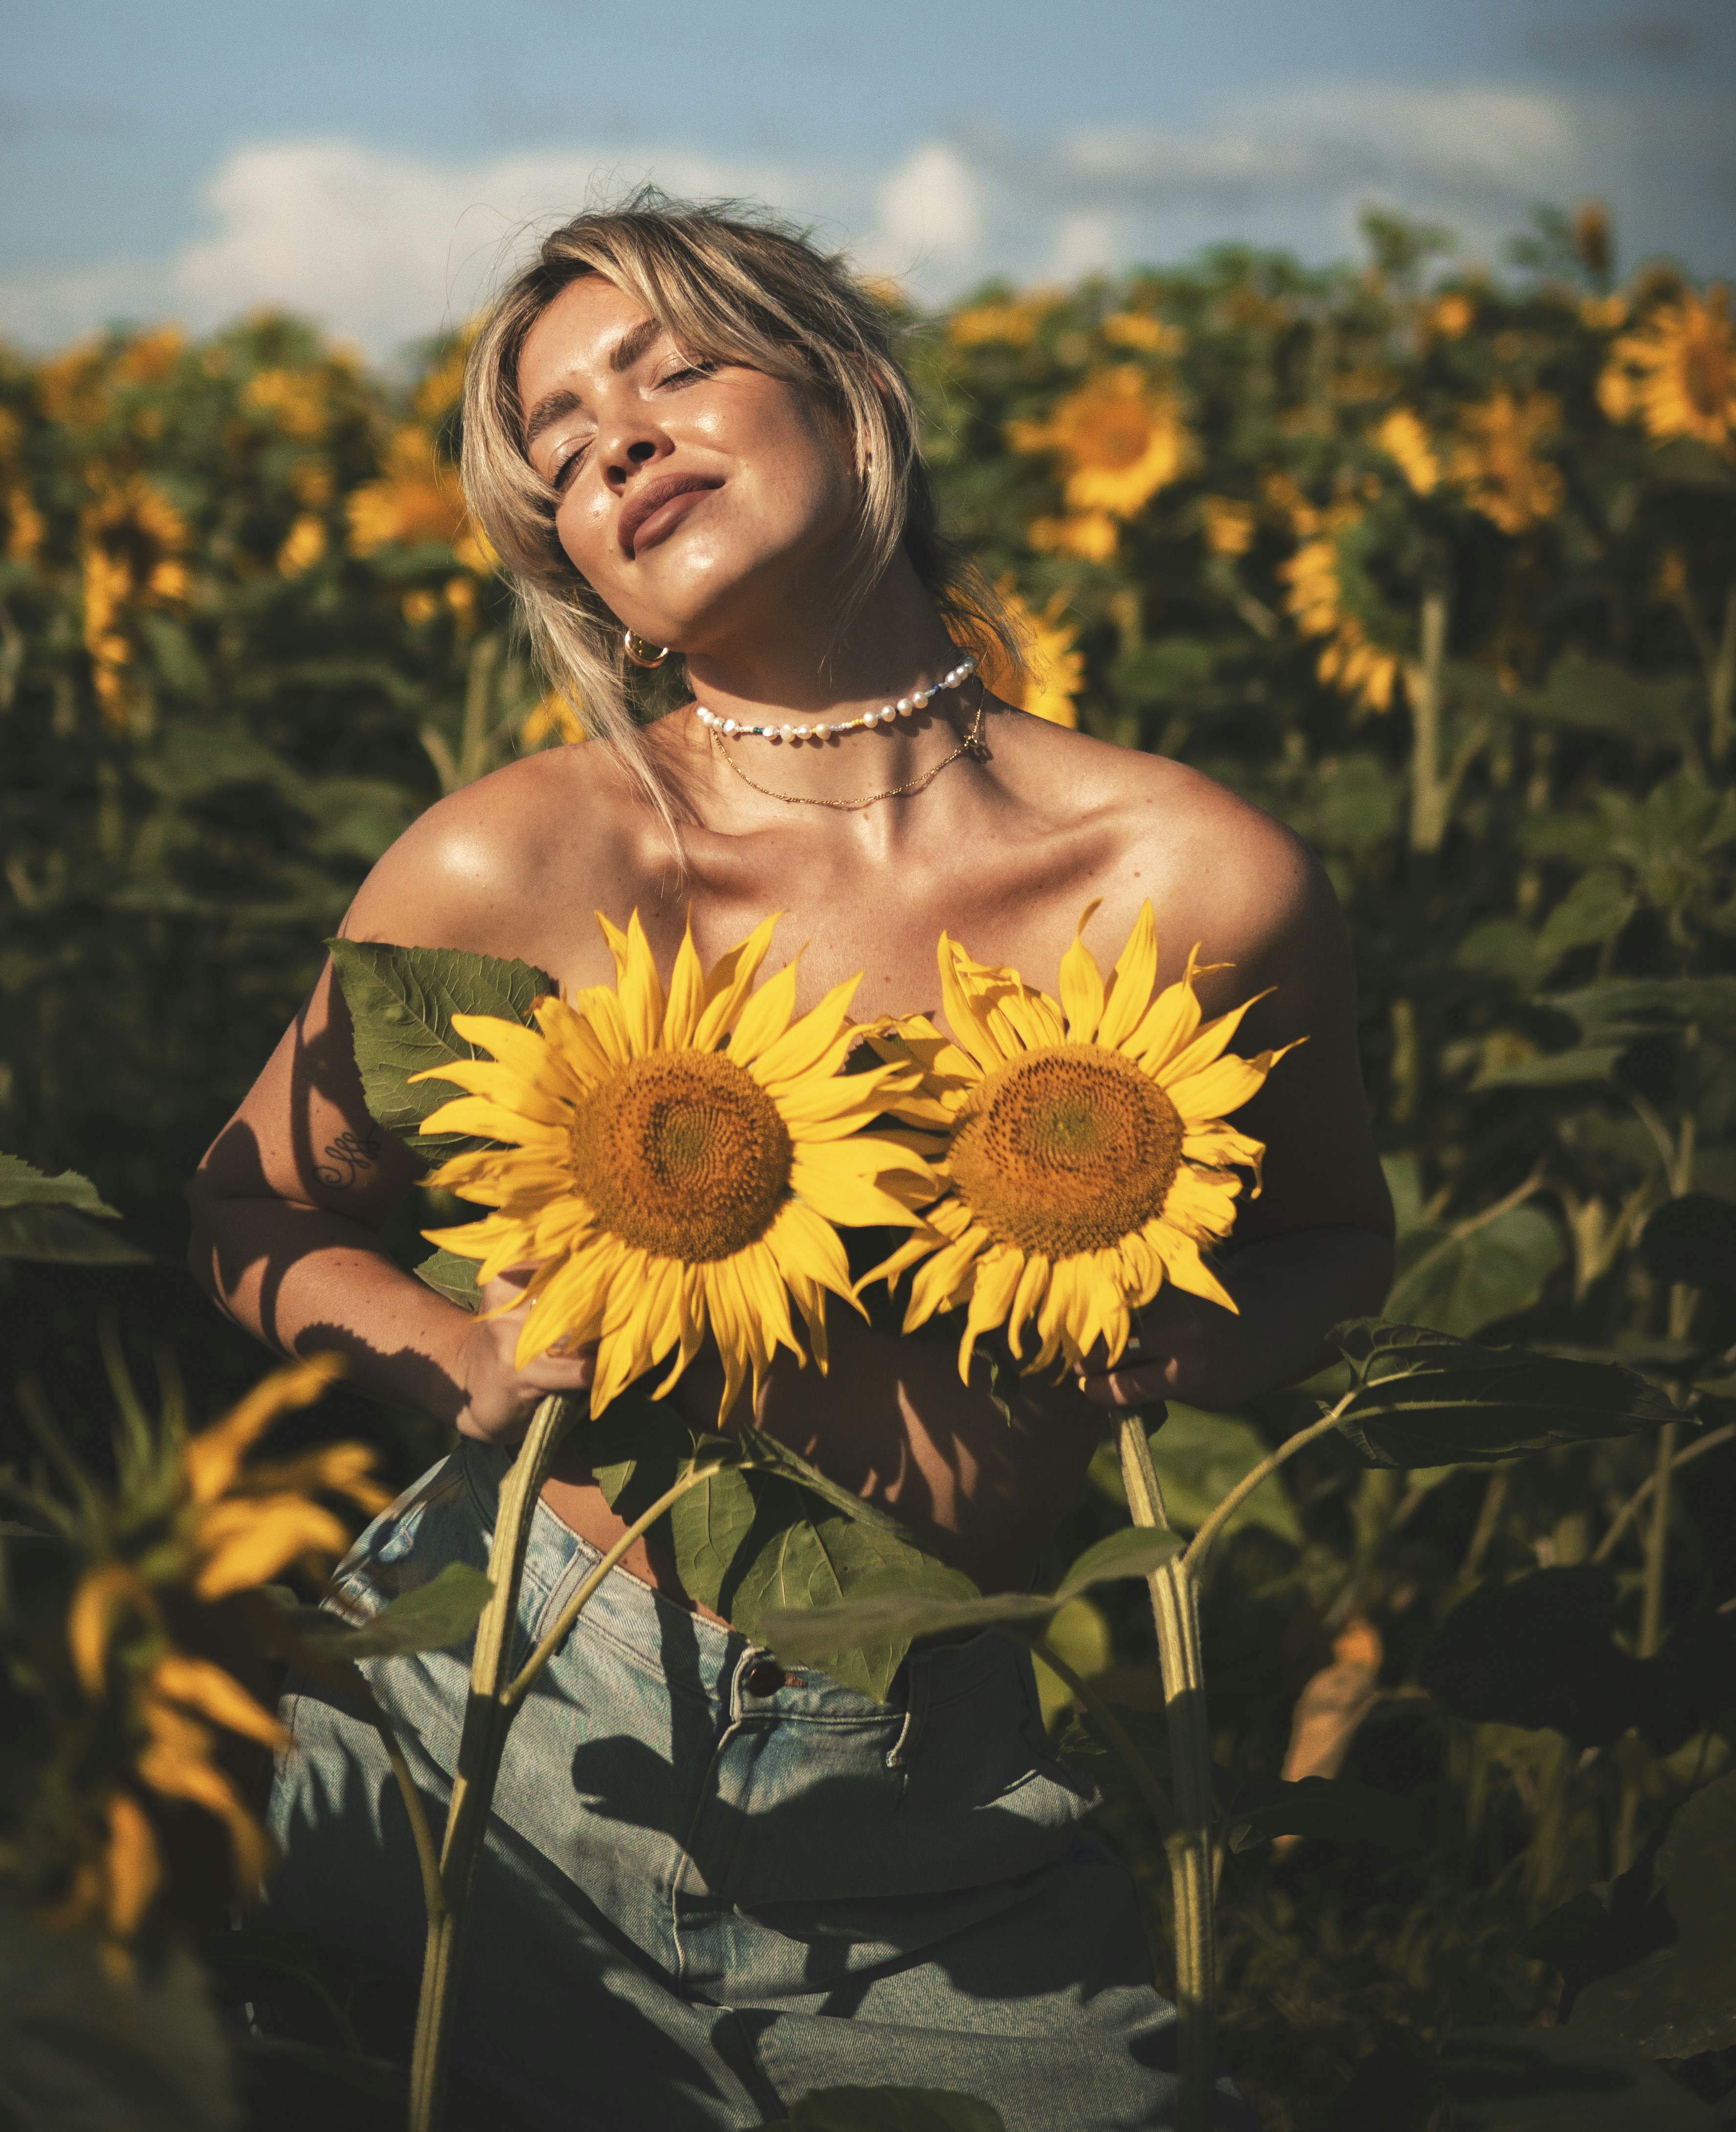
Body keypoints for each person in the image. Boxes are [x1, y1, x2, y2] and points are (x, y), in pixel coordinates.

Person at [189, 200, 1394, 2132]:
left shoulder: (1195, 879)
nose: (619, 440)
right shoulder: (515, 863)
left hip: (925, 1814)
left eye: (669, 368)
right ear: (579, 569)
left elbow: (1338, 1235)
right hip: (488, 1724)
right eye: (564, 448)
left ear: (847, 386)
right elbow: (250, 1202)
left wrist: (1219, 1351)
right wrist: (446, 1349)